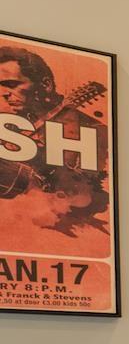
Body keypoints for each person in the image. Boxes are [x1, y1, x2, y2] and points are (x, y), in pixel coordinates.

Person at [0, 43, 109, 234]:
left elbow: (86, 197)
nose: (4, 93)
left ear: (45, 85)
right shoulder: (13, 121)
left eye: (12, 84)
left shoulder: (90, 131)